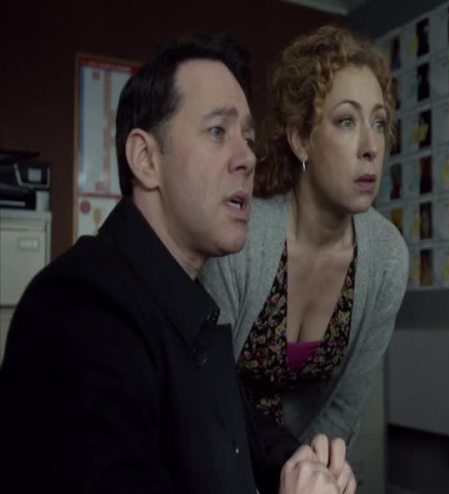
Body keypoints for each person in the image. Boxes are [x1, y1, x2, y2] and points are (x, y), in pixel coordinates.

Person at [0, 35, 349, 494]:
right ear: (146, 159)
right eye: (218, 131)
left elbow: (239, 431)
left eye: (247, 139)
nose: (248, 158)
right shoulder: (77, 310)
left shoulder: (186, 306)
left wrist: (301, 462)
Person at [200, 26, 408, 456]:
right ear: (300, 140)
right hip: (217, 456)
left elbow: (344, 407)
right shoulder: (241, 239)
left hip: (305, 464)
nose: (371, 147)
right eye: (347, 121)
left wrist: (305, 472)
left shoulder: (387, 257)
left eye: (379, 123)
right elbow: (204, 395)